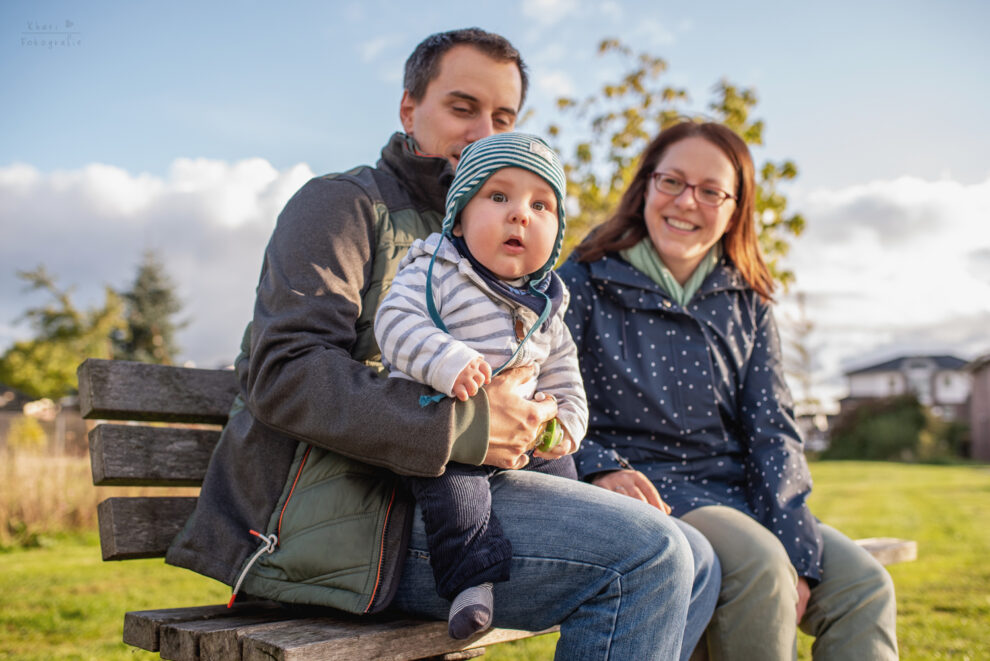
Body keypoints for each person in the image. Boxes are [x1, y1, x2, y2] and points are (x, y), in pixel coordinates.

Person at [165, 29, 719, 660]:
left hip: (477, 497)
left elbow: (547, 369)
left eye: (503, 116)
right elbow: (285, 373)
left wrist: (578, 452)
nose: (484, 130)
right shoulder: (344, 206)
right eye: (463, 108)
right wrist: (463, 425)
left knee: (697, 554)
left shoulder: (503, 235)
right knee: (648, 557)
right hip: (352, 525)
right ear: (409, 109)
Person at [557, 120, 899, 660]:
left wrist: (799, 552)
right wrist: (600, 465)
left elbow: (773, 432)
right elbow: (543, 400)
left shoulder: (748, 302)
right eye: (672, 181)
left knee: (864, 585)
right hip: (650, 488)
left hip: (737, 491)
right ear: (646, 185)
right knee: (762, 565)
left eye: (711, 191)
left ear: (735, 207)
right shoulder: (581, 280)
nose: (687, 202)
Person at [375, 131, 588, 639]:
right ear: (459, 216)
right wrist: (448, 360)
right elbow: (395, 322)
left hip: (523, 435)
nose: (521, 215)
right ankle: (472, 586)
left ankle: (574, 558)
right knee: (457, 494)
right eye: (498, 197)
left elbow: (563, 371)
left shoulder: (547, 304)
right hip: (448, 428)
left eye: (541, 206)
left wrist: (565, 422)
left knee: (567, 479)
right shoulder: (437, 271)